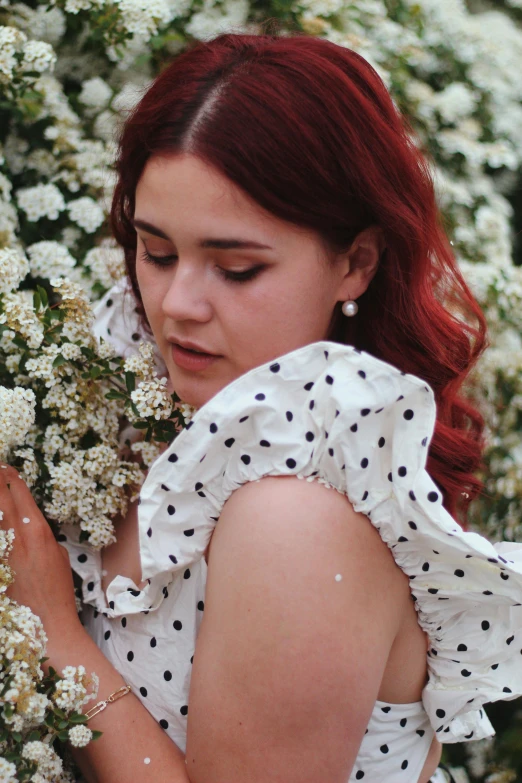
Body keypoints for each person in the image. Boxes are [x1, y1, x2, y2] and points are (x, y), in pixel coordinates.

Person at [2, 29, 522, 783]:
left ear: (355, 263)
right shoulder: (125, 387)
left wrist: (54, 634)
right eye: (156, 251)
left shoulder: (299, 518)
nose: (178, 303)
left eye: (237, 268)